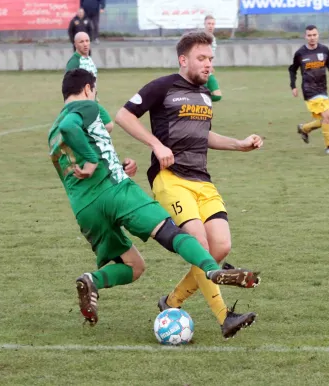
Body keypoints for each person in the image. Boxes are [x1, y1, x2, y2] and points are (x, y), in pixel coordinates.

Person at [49, 68, 261, 326]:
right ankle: (211, 269)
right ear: (87, 89)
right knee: (171, 232)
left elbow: (77, 155)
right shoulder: (85, 106)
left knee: (133, 265)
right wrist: (95, 161)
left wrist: (114, 162)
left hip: (84, 210)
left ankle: (92, 280)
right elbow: (71, 126)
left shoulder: (52, 135)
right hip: (116, 192)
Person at [114, 31, 264, 339]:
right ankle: (225, 317)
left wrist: (238, 144)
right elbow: (123, 115)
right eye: (202, 58)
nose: (208, 64)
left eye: (211, 59)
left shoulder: (206, 93)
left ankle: (171, 301)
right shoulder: (163, 86)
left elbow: (202, 135)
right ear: (184, 60)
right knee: (200, 245)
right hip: (171, 179)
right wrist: (156, 145)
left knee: (221, 247)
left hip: (202, 180)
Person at [289, 25, 329, 154]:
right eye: (309, 35)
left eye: (314, 35)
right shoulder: (300, 53)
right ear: (305, 37)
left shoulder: (324, 50)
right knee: (327, 116)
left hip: (322, 89)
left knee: (324, 119)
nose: (312, 38)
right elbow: (292, 69)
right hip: (309, 90)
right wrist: (293, 86)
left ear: (318, 35)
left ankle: (304, 128)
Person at [65, 32, 113, 132]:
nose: (85, 44)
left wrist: (94, 94)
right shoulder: (74, 62)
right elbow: (68, 86)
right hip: (82, 104)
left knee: (106, 126)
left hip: (92, 101)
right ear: (75, 44)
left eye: (87, 41)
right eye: (81, 42)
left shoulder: (89, 59)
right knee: (108, 125)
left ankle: (84, 140)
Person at [203, 15, 222, 102]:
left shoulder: (213, 38)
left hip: (207, 70)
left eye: (213, 24)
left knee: (217, 96)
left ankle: (197, 98)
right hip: (200, 71)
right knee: (203, 93)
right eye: (209, 23)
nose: (211, 26)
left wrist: (210, 64)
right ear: (205, 24)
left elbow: (210, 55)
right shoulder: (201, 38)